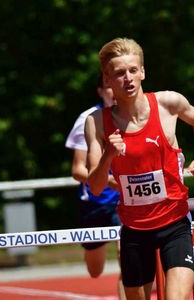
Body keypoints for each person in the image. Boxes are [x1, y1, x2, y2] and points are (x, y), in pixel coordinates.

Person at [85, 37, 194, 300]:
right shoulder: (96, 122)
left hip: (175, 224)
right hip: (134, 230)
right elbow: (95, 187)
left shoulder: (168, 104)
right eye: (119, 73)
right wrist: (108, 154)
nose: (128, 78)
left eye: (133, 70)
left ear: (143, 71)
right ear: (107, 80)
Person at [65, 73, 125, 299]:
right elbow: (77, 170)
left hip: (124, 201)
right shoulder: (88, 119)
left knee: (128, 259)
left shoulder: (133, 115)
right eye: (108, 87)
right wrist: (107, 180)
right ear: (101, 91)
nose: (114, 91)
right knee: (95, 270)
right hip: (95, 202)